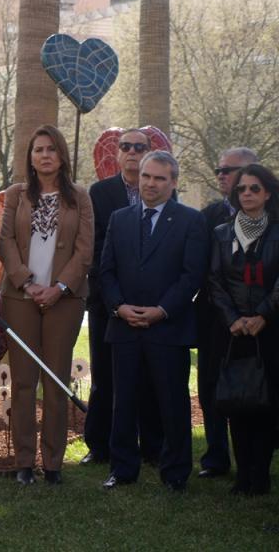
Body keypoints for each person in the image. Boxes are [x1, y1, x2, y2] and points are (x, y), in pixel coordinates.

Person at [100, 151, 208, 492]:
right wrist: (119, 307)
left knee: (172, 402)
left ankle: (175, 472)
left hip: (168, 328)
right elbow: (105, 272)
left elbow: (192, 276)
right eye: (146, 176)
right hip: (125, 326)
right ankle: (123, 469)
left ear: (173, 183)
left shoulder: (191, 221)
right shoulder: (119, 218)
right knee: (124, 402)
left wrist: (162, 310)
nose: (150, 183)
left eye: (160, 178)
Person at [0, 125, 93, 485]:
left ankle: (52, 463)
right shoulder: (16, 194)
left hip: (64, 300)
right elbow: (5, 242)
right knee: (23, 381)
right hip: (20, 296)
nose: (45, 155)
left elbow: (85, 250)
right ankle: (24, 463)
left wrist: (59, 287)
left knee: (55, 380)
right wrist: (27, 282)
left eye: (51, 148)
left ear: (62, 154)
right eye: (38, 149)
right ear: (30, 157)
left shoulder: (80, 197)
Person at [83, 128, 163, 466]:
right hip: (108, 301)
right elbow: (96, 248)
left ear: (148, 152)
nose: (131, 151)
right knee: (105, 378)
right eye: (125, 146)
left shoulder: (161, 190)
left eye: (139, 147)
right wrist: (116, 299)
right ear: (116, 153)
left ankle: (152, 447)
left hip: (150, 305)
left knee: (148, 377)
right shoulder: (100, 193)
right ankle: (100, 446)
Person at [208, 163, 279, 495]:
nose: (247, 194)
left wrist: (263, 315)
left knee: (265, 402)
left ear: (267, 192)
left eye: (254, 188)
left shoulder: (278, 231)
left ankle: (260, 475)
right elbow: (214, 281)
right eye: (241, 189)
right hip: (233, 331)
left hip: (270, 329)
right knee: (238, 400)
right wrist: (232, 318)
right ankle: (242, 474)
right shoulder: (222, 233)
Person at [195, 147, 259, 479]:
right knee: (209, 387)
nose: (221, 175)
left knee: (252, 387)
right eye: (219, 170)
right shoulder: (206, 216)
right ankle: (216, 457)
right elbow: (201, 270)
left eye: (229, 170)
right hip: (213, 318)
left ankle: (253, 459)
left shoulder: (270, 216)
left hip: (257, 322)